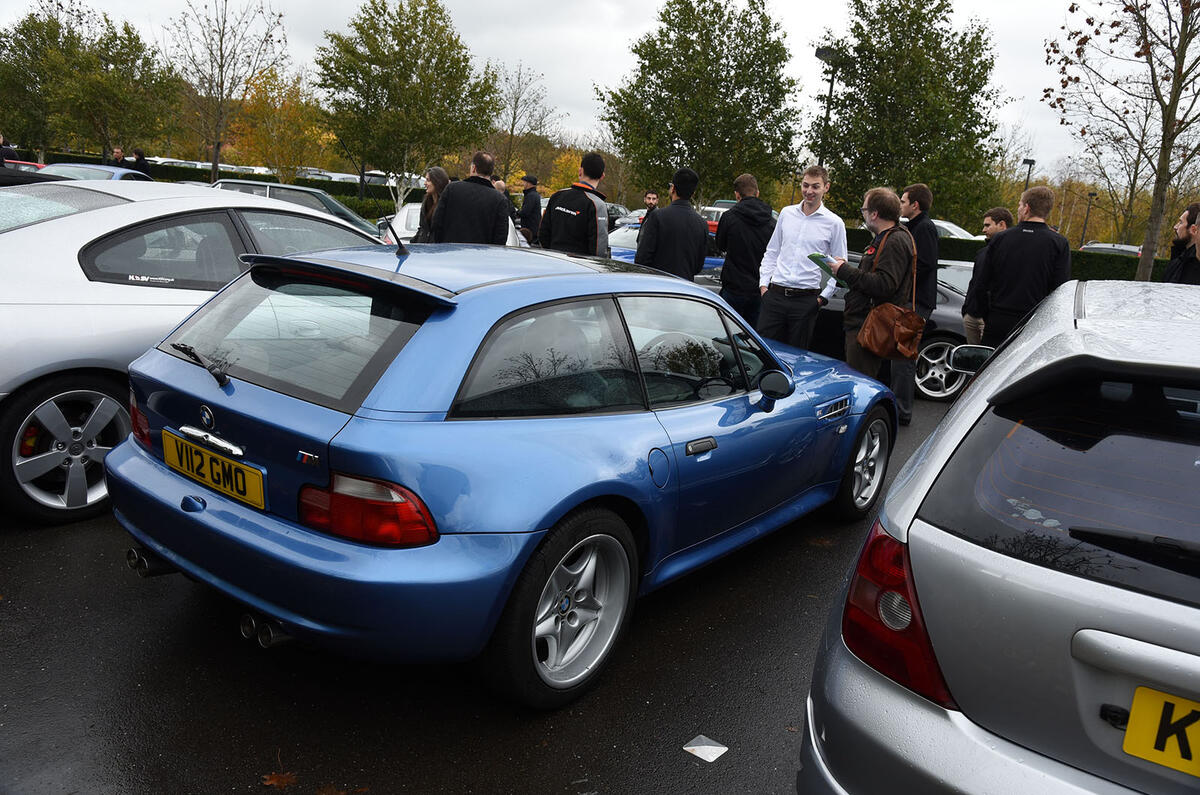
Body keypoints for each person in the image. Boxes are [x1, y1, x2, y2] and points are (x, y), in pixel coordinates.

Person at [828, 188, 916, 380]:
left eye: (864, 210)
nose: (863, 215)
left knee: (860, 385)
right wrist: (843, 273)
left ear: (874, 214)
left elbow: (884, 285)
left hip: (869, 328)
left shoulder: (895, 240)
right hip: (864, 324)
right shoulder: (888, 238)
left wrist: (844, 270)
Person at [756, 165, 844, 349]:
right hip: (775, 297)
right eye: (805, 185)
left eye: (815, 186)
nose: (808, 191)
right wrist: (764, 286)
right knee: (764, 353)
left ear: (826, 187)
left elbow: (840, 267)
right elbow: (772, 251)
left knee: (796, 358)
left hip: (806, 302)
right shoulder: (786, 214)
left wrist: (823, 298)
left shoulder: (834, 223)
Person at [973, 186, 1071, 347]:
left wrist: (985, 314)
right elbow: (1060, 289)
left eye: (1019, 205)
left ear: (1026, 208)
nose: (1018, 209)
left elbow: (981, 282)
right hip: (1033, 323)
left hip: (998, 318)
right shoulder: (1058, 243)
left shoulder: (1001, 239)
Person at [890, 183, 938, 425]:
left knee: (903, 357)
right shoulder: (914, 227)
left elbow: (926, 264)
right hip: (912, 299)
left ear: (915, 205)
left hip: (916, 301)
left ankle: (901, 412)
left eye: (903, 201)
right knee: (899, 355)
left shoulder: (925, 228)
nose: (900, 204)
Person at [715, 173, 776, 327]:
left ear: (737, 195)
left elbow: (720, 245)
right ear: (757, 193)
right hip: (759, 287)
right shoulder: (772, 222)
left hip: (733, 286)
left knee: (728, 333)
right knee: (754, 338)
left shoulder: (729, 218)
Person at [635, 167, 708, 280]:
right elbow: (698, 265)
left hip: (658, 286)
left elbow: (642, 259)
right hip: (685, 289)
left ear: (672, 188)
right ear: (693, 193)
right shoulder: (702, 223)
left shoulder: (657, 217)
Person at [431, 151, 511, 245]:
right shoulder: (499, 199)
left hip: (450, 252)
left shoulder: (452, 189)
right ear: (491, 171)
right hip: (481, 256)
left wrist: (442, 245)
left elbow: (437, 222)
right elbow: (500, 236)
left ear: (473, 168)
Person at [539, 152, 609, 257]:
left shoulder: (557, 196)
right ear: (602, 176)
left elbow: (543, 234)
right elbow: (599, 248)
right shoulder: (597, 205)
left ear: (580, 171)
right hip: (580, 268)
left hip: (553, 260)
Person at [961, 206, 1014, 344]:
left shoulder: (1011, 254)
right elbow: (975, 283)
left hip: (991, 320)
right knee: (973, 360)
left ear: (1002, 225)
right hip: (972, 315)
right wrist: (967, 309)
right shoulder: (982, 253)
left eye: (987, 225)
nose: (983, 230)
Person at [1163, 202, 1200, 284]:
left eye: (1181, 222)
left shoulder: (1193, 265)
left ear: (1193, 229)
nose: (1175, 227)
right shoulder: (1179, 260)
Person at [412, 166, 449, 243]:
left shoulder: (447, 204)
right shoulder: (426, 201)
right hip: (422, 249)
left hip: (436, 251)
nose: (425, 183)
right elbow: (422, 228)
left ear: (437, 182)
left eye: (428, 180)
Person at [518, 175, 541, 244]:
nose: (523, 184)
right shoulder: (533, 195)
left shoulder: (531, 196)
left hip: (530, 229)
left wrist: (517, 213)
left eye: (524, 182)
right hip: (533, 228)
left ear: (529, 183)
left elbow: (525, 212)